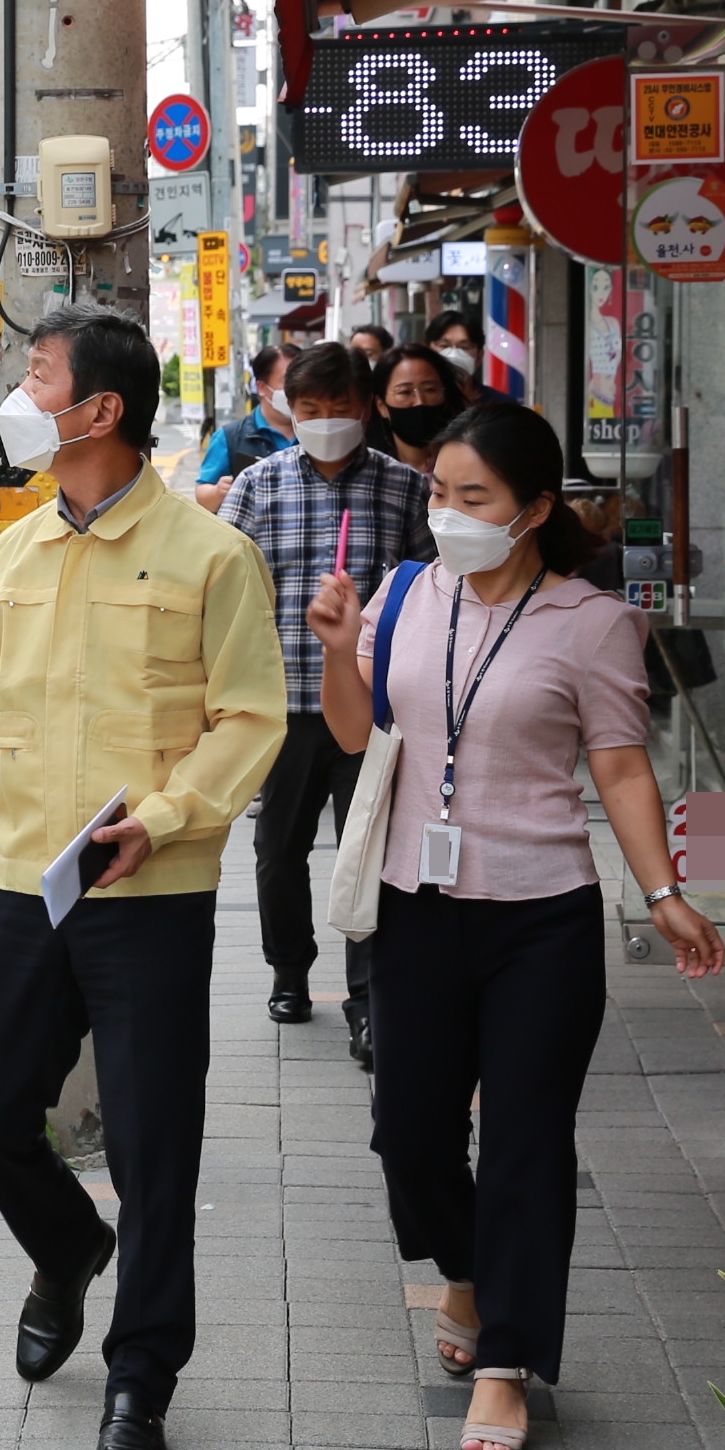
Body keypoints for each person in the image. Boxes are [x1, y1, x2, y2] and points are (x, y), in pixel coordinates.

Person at [304, 401, 724, 1450]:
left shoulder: (590, 622)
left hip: (538, 915)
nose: (447, 514)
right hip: (411, 904)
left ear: (534, 508)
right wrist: (336, 652)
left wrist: (662, 890)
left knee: (528, 1142)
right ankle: (466, 1266)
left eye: (472, 498)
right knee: (406, 1131)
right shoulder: (402, 592)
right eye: (438, 494)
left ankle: (505, 1361)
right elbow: (361, 739)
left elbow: (620, 765)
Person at [0, 304, 287, 1450]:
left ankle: (140, 1379)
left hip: (151, 893)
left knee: (153, 1147)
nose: (15, 397)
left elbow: (250, 718)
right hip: (31, 887)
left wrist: (168, 817)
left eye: (35, 378)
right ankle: (68, 1243)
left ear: (100, 412)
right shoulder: (14, 548)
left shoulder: (206, 554)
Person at [220, 343, 434, 1069]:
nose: (325, 421)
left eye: (340, 408)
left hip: (374, 708)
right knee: (277, 851)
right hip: (280, 709)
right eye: (310, 410)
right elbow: (226, 596)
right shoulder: (260, 485)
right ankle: (288, 972)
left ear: (367, 407)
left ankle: (367, 1001)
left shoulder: (405, 490)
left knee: (366, 850)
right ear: (290, 410)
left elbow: (432, 594)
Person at [195, 343, 298, 509]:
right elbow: (202, 494)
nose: (297, 387)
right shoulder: (230, 437)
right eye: (288, 380)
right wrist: (217, 492)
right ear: (262, 387)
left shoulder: (317, 430)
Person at [374, 341, 471, 478]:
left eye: (430, 390)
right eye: (405, 392)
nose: (419, 402)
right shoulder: (374, 474)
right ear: (382, 406)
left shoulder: (469, 462)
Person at [425, 309, 513, 404]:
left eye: (464, 347)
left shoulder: (500, 406)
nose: (454, 355)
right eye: (444, 346)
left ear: (479, 356)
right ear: (428, 352)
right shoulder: (420, 402)